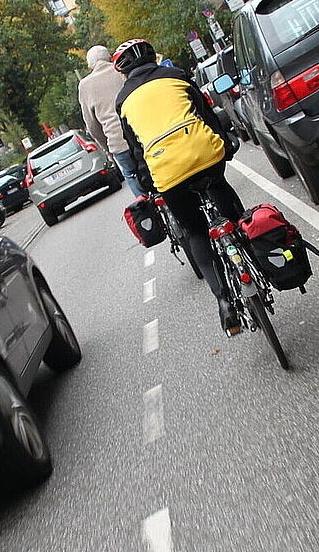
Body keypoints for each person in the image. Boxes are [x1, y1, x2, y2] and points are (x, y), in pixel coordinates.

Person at [111, 38, 245, 333]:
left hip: (167, 170)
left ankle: (224, 301)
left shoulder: (123, 100)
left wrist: (146, 183)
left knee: (196, 231)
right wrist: (226, 142)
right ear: (152, 58)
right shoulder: (177, 76)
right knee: (222, 193)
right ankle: (249, 253)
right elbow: (207, 115)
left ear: (123, 71)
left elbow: (135, 148)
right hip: (204, 153)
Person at [79, 45, 144, 197]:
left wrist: (107, 147)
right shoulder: (122, 70)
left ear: (90, 66)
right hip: (141, 133)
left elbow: (92, 126)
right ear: (109, 58)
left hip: (117, 143)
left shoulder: (85, 86)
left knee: (131, 174)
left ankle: (145, 211)